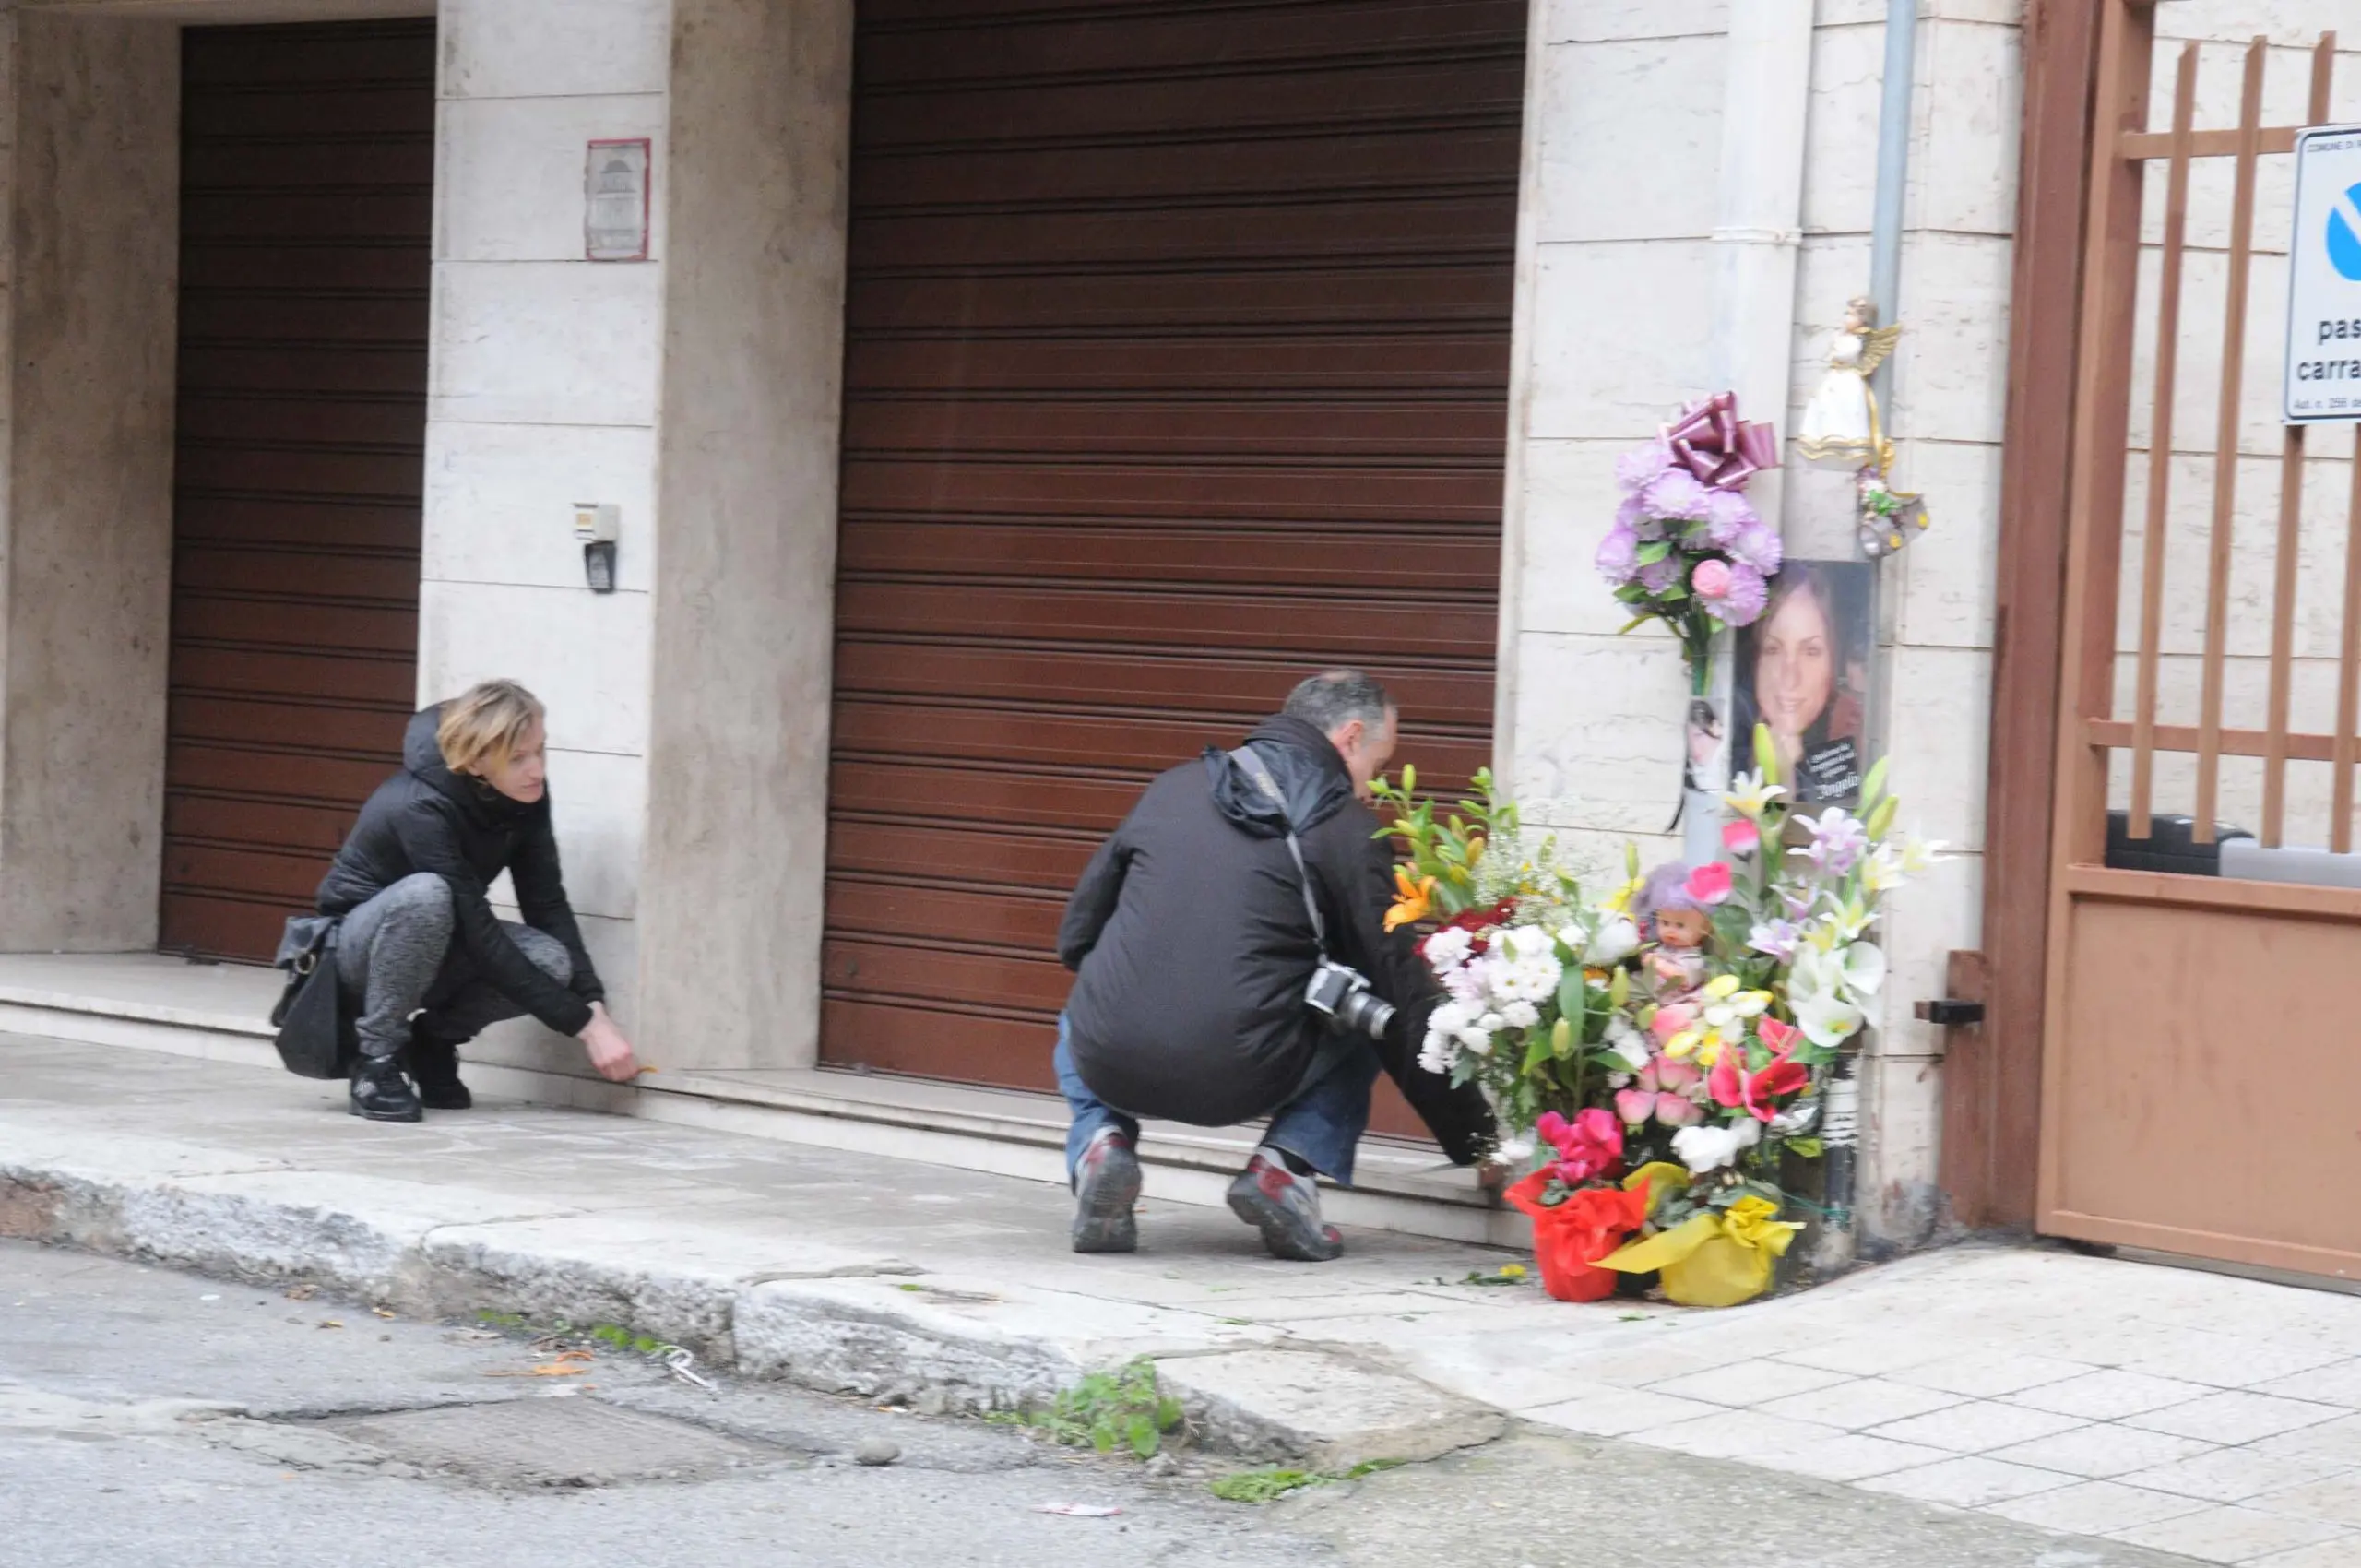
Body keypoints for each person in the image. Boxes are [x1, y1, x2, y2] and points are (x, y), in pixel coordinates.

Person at [1054, 671, 1497, 1262]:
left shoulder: (1173, 787)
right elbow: (1403, 996)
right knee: (1366, 1014)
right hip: (1238, 1074)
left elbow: (1076, 937)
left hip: (1112, 1060)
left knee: (1086, 1011)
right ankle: (1284, 1168)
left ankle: (1100, 1144)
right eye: (1378, 765)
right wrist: (1476, 1139)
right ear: (1350, 737)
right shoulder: (1347, 830)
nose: (1375, 787)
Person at [317, 680, 639, 1123]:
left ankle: (432, 1041)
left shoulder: (524, 795)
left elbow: (546, 904)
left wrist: (591, 1002)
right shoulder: (419, 805)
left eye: (540, 750)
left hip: (443, 937)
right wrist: (585, 1027)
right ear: (474, 762)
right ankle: (376, 1060)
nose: (536, 769)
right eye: (518, 757)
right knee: (428, 892)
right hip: (355, 953)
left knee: (551, 961)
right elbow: (476, 930)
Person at [1736, 565, 1865, 802]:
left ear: (1833, 662)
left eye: (1811, 652)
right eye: (1773, 650)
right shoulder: (1732, 731)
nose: (1790, 677)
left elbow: (1835, 817)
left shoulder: (1842, 731)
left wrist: (1786, 779)